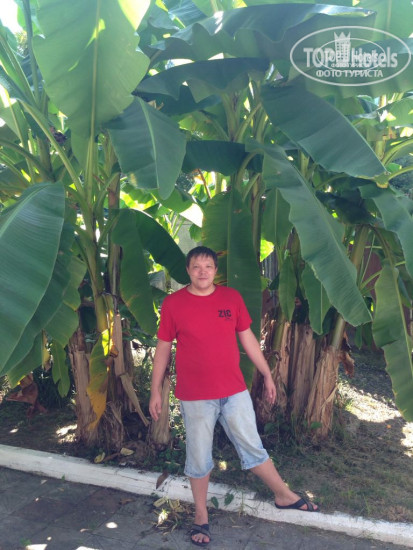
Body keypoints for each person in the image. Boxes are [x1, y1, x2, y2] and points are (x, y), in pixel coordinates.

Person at [149, 246, 318, 547]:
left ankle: (283, 495)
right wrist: (154, 391)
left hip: (234, 392)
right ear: (188, 270)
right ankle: (201, 516)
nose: (202, 272)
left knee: (252, 447)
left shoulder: (231, 298)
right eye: (196, 267)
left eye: (208, 266)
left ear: (216, 270)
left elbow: (248, 338)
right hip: (196, 396)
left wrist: (266, 373)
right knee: (198, 456)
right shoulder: (173, 304)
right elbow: (163, 348)